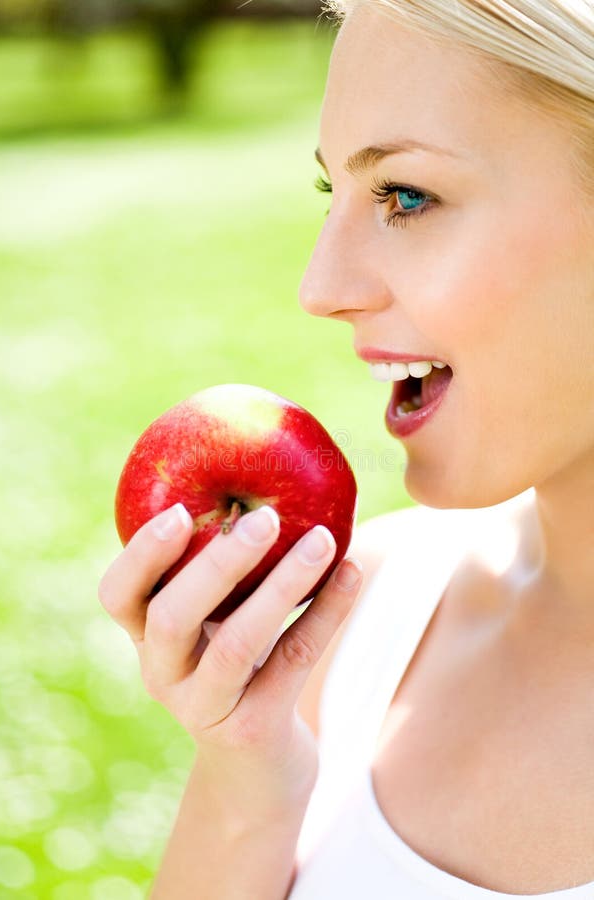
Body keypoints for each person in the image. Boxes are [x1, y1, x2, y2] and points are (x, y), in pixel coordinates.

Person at [98, 0, 594, 895]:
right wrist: (246, 776)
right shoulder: (360, 611)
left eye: (406, 195)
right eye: (336, 192)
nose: (319, 288)